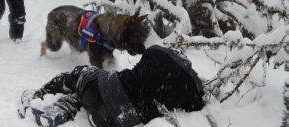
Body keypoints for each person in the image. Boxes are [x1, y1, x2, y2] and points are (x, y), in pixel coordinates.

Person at [18, 45, 205, 127]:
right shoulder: (194, 87)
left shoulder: (157, 51)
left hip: (108, 90)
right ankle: (64, 107)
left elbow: (138, 75)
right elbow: (195, 106)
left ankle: (40, 93)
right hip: (120, 120)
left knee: (81, 73)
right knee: (87, 95)